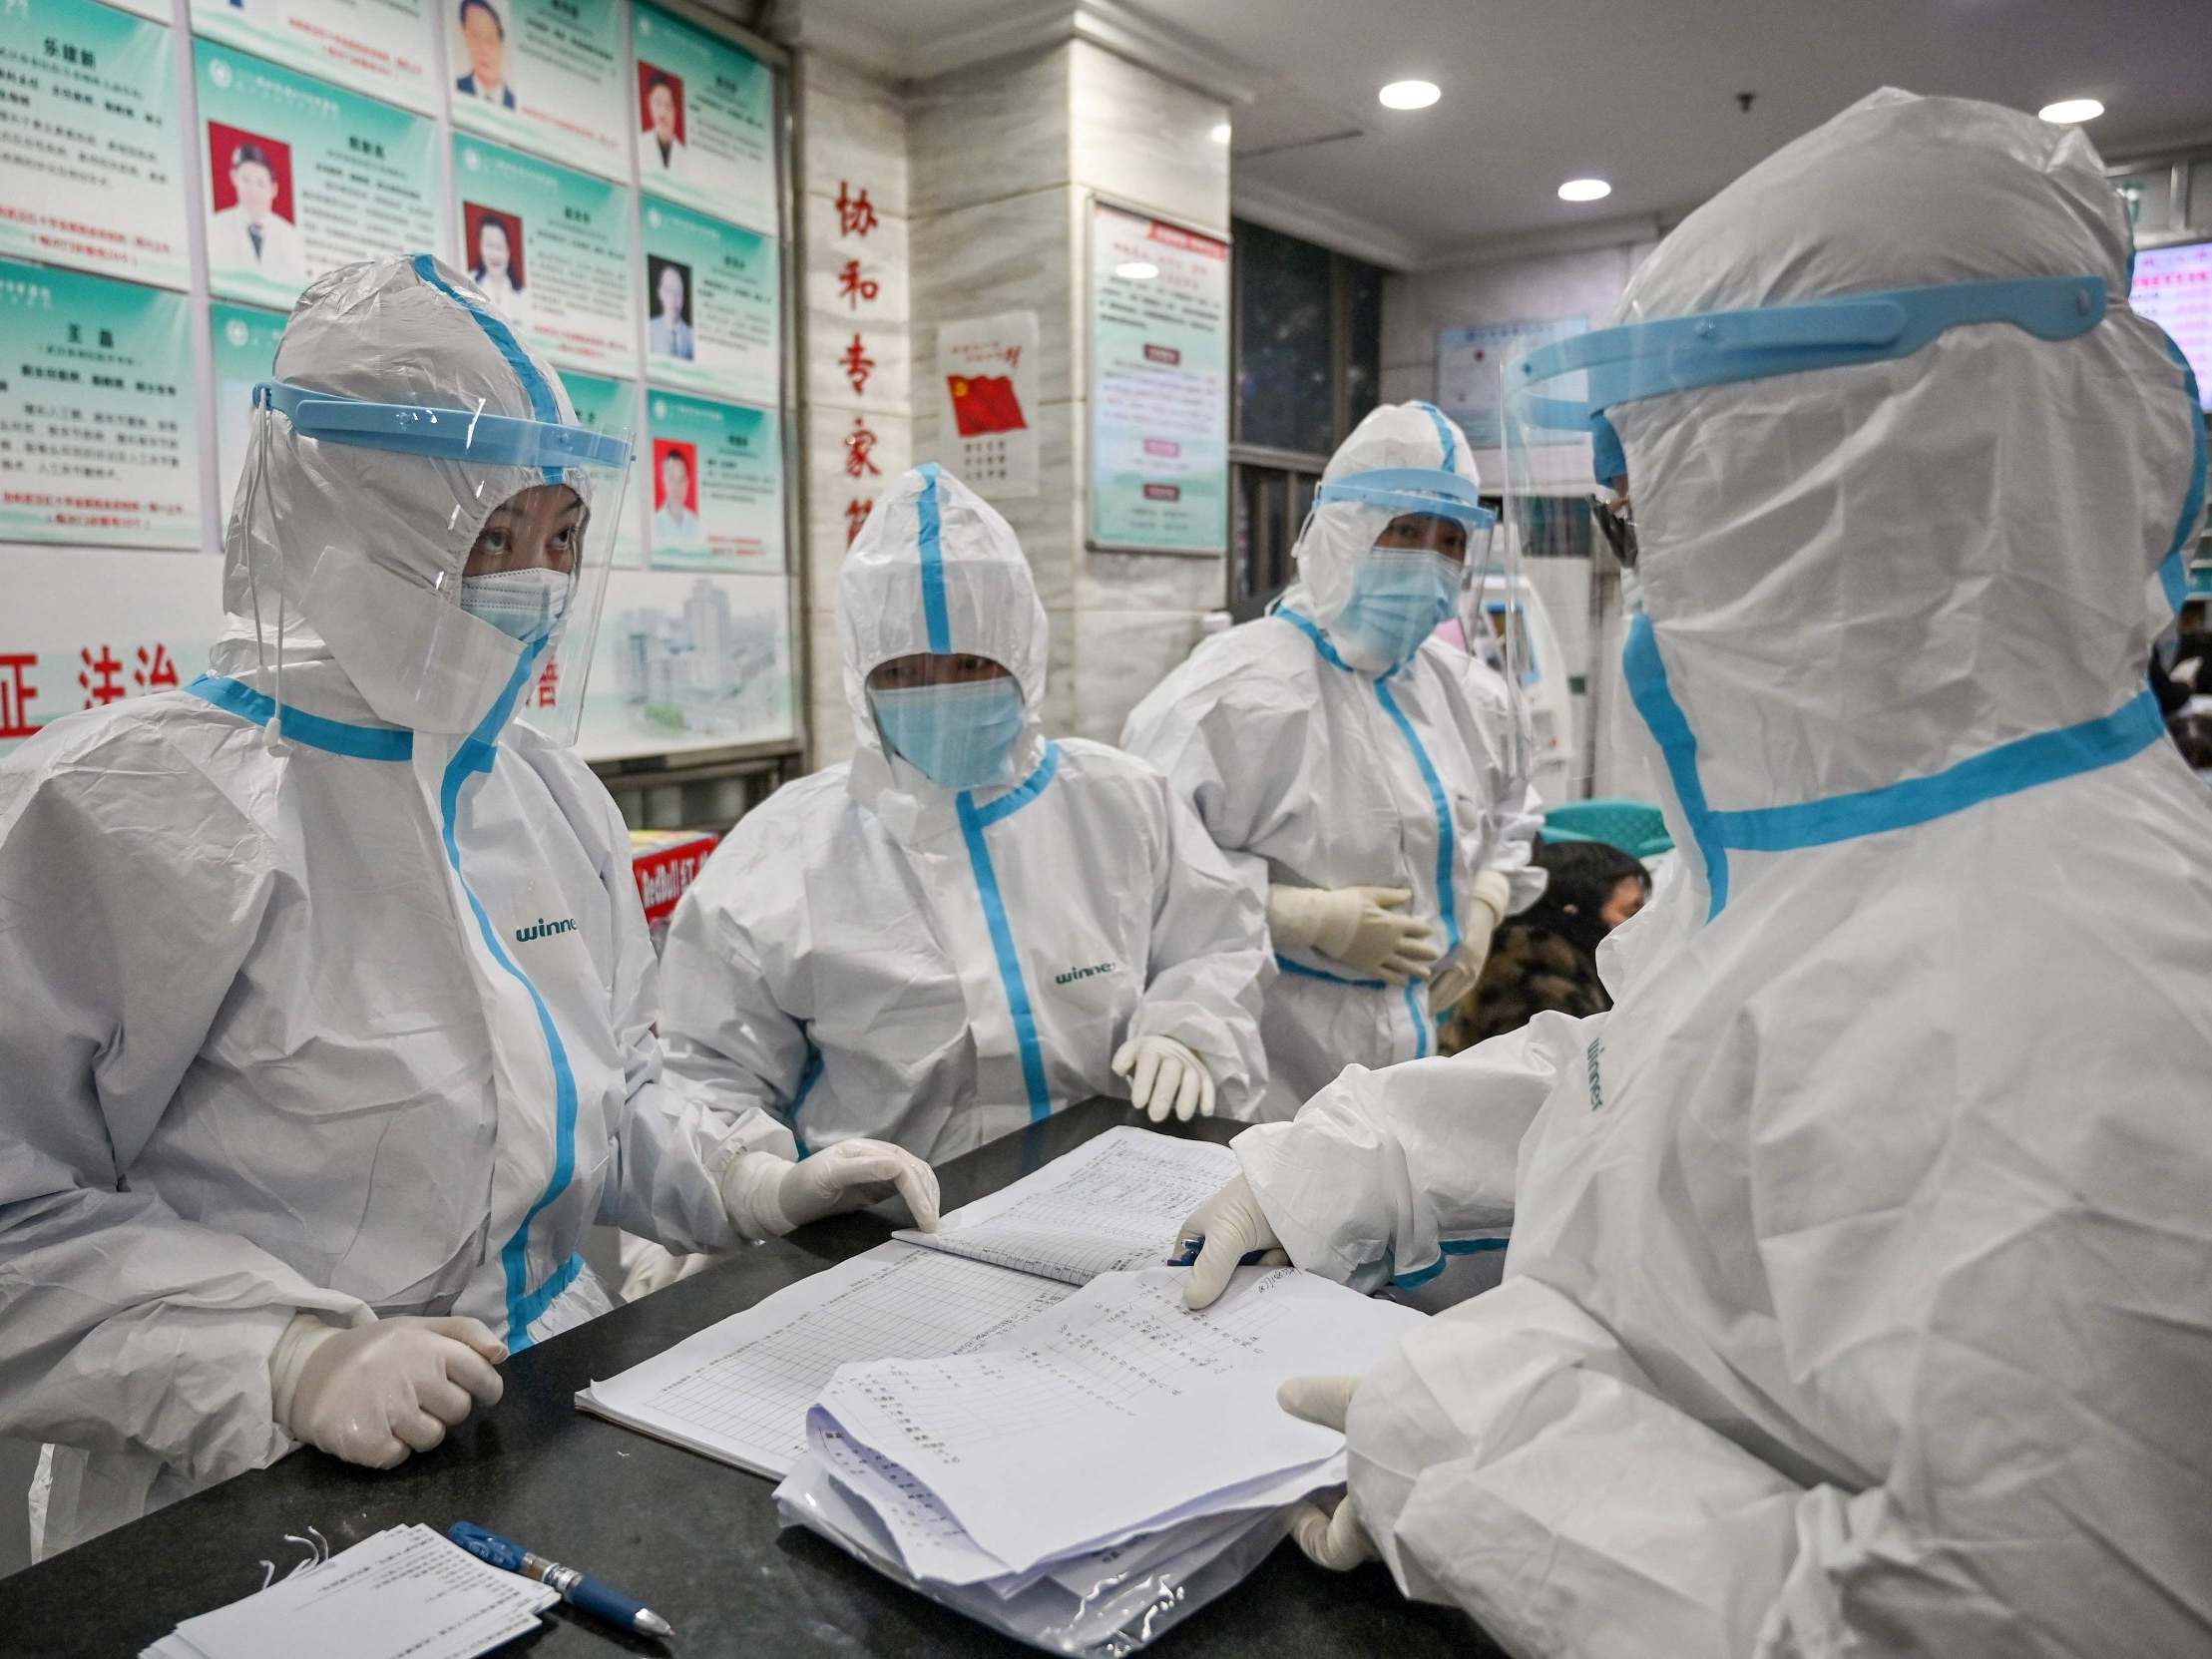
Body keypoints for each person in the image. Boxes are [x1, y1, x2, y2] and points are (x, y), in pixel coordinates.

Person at [1175, 90, 2212, 1655]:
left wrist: (1482, 1464)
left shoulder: (2077, 997)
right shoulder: (1892, 835)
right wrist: (1363, 1159)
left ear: (1835, 501)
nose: (1648, 580)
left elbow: (1993, 1613)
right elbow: (1666, 1100)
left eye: (1668, 517)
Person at [0, 255, 933, 1560]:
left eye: (561, 538)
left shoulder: (538, 795)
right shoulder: (120, 816)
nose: (536, 584)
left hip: (542, 1416)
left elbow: (612, 1084)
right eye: (489, 535)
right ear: (341, 520)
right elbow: (14, 1218)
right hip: (239, 1488)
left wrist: (754, 1176)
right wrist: (275, 1354)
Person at [659, 464, 1271, 1165]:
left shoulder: (1122, 800)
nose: (938, 694)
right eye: (904, 673)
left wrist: (1187, 1029)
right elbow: (709, 1072)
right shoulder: (786, 848)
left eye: (971, 666)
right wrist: (762, 1187)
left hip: (1116, 1186)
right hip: (881, 1231)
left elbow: (1215, 945)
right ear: (861, 678)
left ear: (1022, 656)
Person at [1121, 402, 1545, 1117]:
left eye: (1448, 540)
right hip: (1272, 1058)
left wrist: (1482, 906)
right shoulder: (1225, 697)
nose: (1429, 559)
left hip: (1417, 1050)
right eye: (1404, 530)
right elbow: (1142, 869)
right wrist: (1297, 916)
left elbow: (1510, 817)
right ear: (1344, 531)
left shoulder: (1471, 694)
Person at [1437, 836, 1646, 1052]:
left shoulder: (1542, 953)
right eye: (1630, 912)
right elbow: (1567, 1068)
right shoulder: (1527, 964)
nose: (1639, 923)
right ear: (1574, 908)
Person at [206, 141, 305, 285]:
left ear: (273, 189)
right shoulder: (215, 226)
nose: (252, 191)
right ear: (234, 178)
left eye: (260, 183)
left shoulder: (290, 236)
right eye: (245, 180)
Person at [454, 0, 517, 108]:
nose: (483, 50)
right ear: (465, 37)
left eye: (490, 40)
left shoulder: (514, 102)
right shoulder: (456, 87)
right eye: (475, 37)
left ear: (502, 44)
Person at [468, 216, 528, 326]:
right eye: (490, 245)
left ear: (508, 251)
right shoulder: (466, 284)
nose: (495, 253)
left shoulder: (523, 296)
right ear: (480, 247)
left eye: (499, 246)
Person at [638, 74, 689, 180]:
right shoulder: (640, 143)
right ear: (649, 103)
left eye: (668, 105)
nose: (663, 112)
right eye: (657, 103)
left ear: (675, 110)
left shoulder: (684, 155)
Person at [650, 447, 700, 547]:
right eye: (672, 479)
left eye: (681, 479)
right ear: (664, 480)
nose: (677, 486)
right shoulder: (654, 523)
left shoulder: (696, 523)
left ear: (687, 482)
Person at [648, 262, 694, 360]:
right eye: (669, 291)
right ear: (660, 293)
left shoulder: (691, 336)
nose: (673, 299)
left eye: (678, 292)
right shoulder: (649, 329)